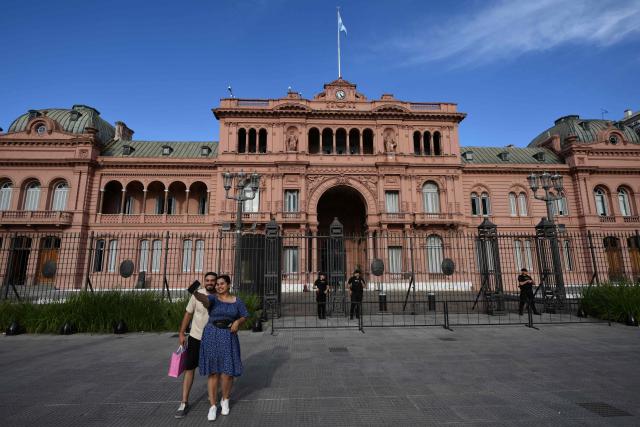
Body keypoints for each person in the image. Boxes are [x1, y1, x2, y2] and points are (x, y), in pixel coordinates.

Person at [189, 274, 249, 422]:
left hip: (228, 335)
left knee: (227, 372)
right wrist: (196, 293)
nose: (218, 286)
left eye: (222, 284)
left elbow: (245, 315)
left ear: (228, 285)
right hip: (212, 334)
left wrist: (238, 322)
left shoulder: (237, 301)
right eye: (217, 284)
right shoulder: (213, 299)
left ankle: (225, 399)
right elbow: (204, 300)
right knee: (213, 372)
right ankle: (213, 406)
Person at [175, 272, 218, 418]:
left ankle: (211, 397)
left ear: (216, 282)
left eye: (213, 280)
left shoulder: (220, 296)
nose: (210, 282)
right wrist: (182, 333)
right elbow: (188, 314)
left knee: (213, 370)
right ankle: (184, 402)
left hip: (213, 338)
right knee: (189, 368)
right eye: (207, 280)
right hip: (195, 337)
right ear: (204, 282)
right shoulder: (196, 294)